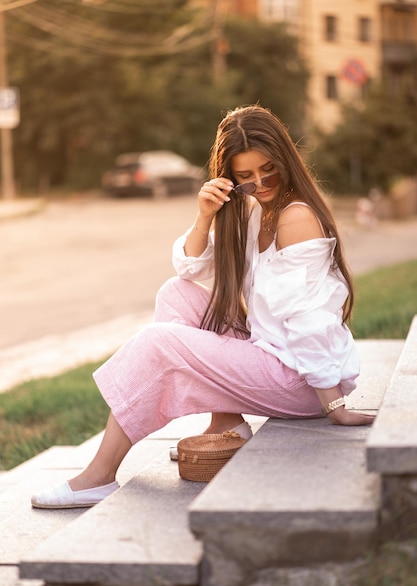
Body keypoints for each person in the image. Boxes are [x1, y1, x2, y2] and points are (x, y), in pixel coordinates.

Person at [32, 104, 373, 509]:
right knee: (176, 293)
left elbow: (309, 319)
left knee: (160, 343)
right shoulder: (253, 213)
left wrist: (334, 406)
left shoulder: (294, 217)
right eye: (245, 178)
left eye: (269, 170)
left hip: (300, 380)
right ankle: (227, 423)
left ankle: (99, 475)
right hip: (275, 354)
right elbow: (191, 267)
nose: (260, 183)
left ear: (285, 160)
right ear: (229, 178)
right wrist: (205, 216)